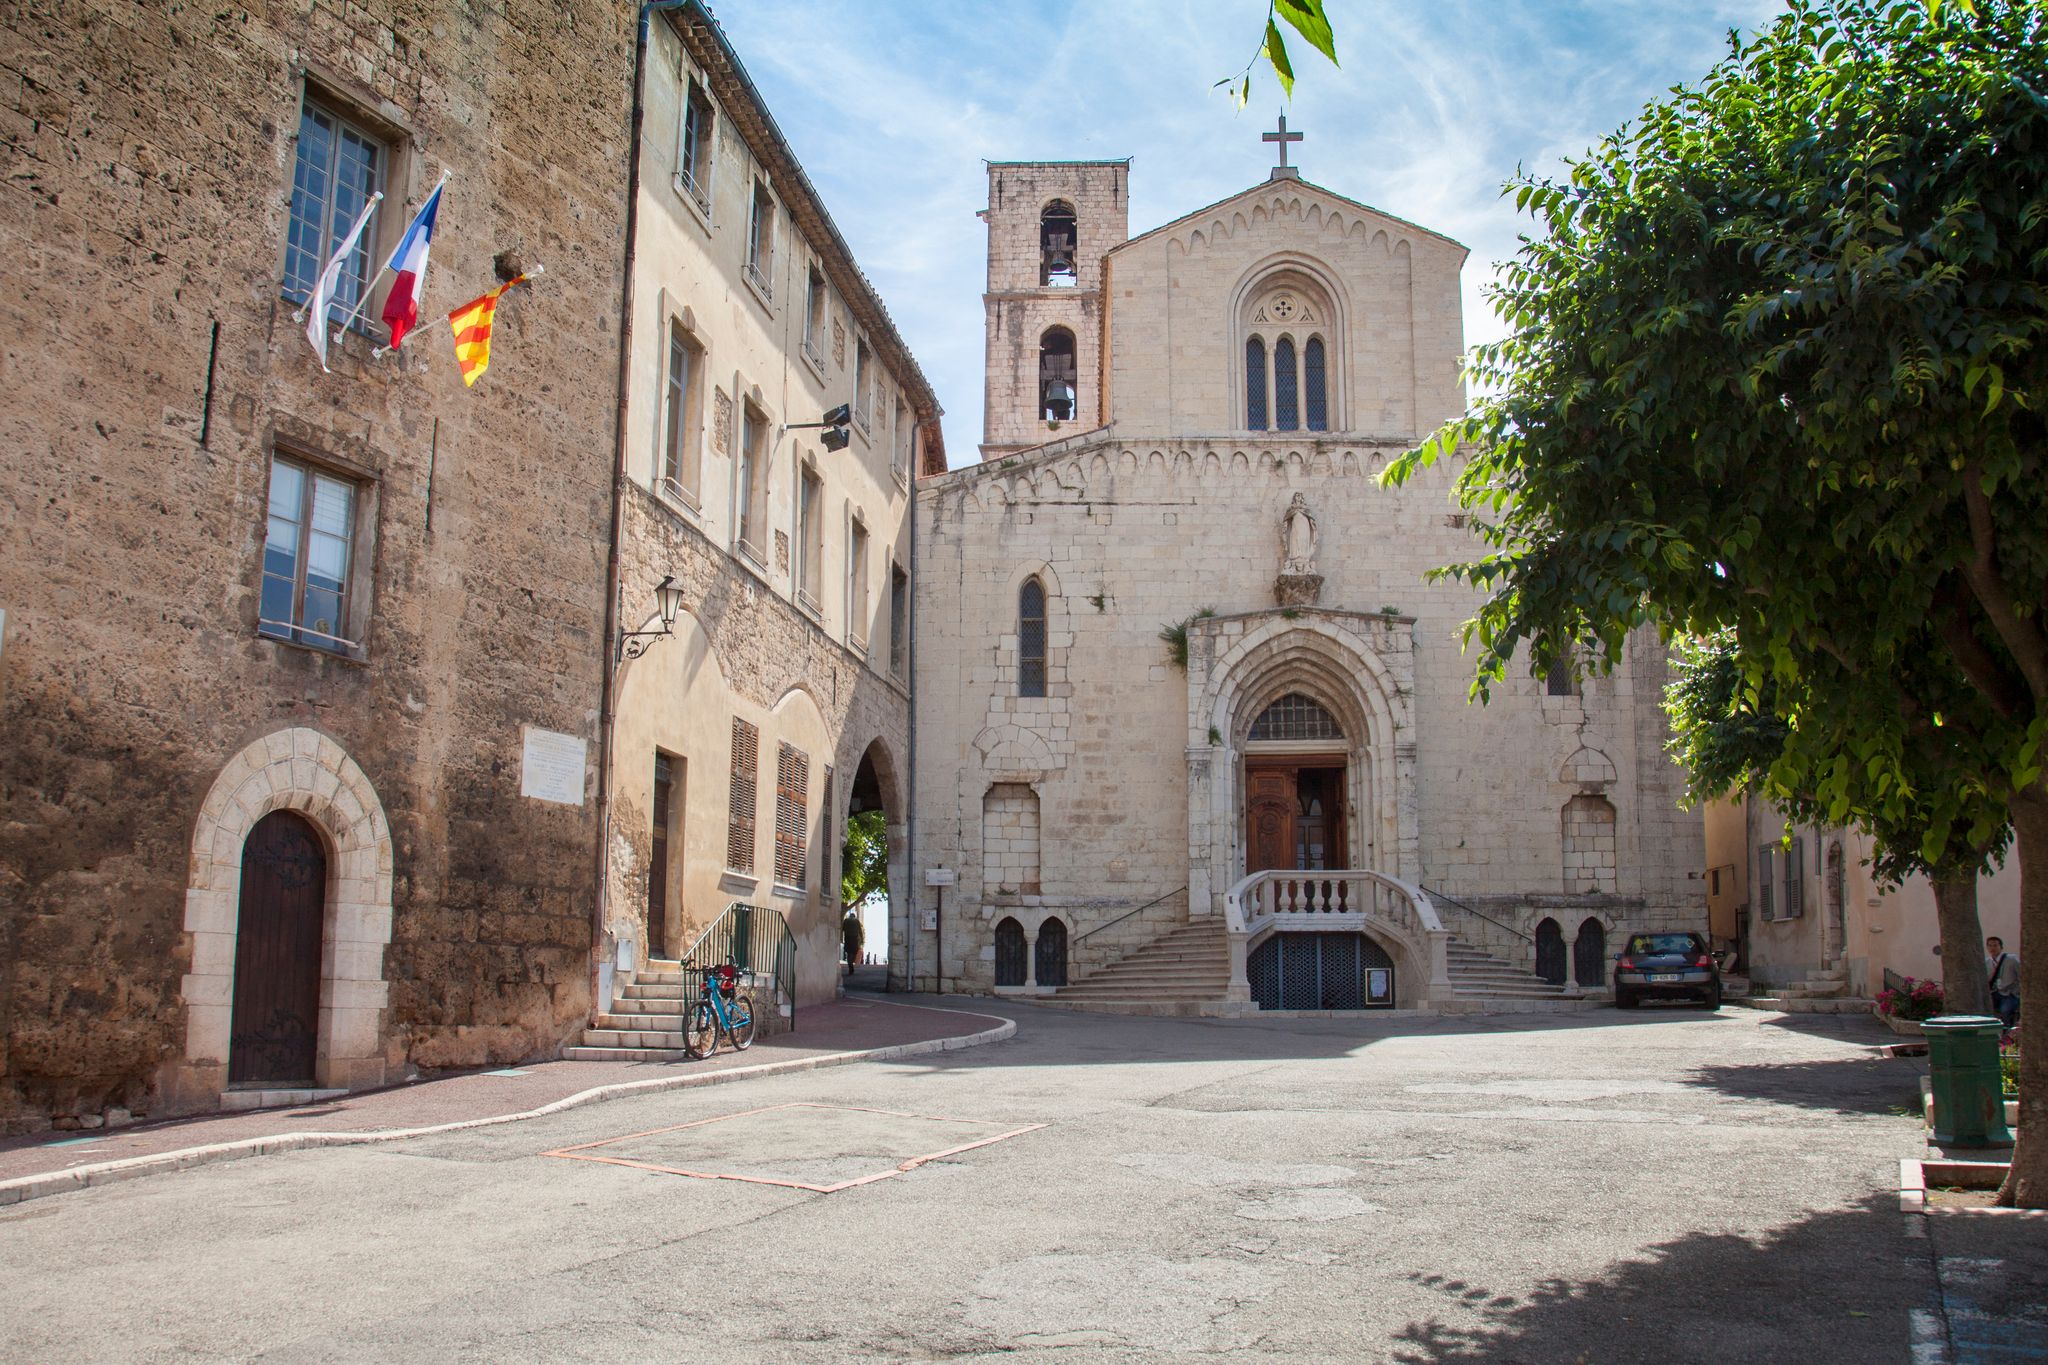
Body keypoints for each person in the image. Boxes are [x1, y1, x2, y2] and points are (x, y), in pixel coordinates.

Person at [1985, 936, 2020, 1027]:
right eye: (1990, 946)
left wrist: (2016, 991)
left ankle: (2006, 1030)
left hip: (2009, 993)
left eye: (1995, 945)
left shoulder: (2011, 959)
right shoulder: (1987, 962)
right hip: (1994, 992)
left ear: (2001, 947)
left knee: (2005, 1010)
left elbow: (2021, 975)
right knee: (1986, 1009)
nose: (1992, 948)